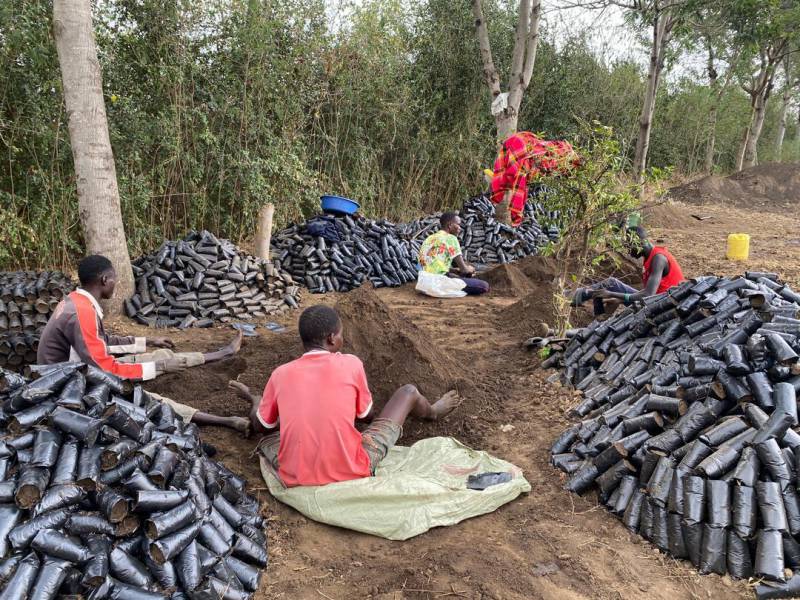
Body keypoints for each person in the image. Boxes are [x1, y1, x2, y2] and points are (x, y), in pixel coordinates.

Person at [228, 305, 462, 487]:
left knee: (269, 439)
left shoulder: (280, 374)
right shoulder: (351, 363)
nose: (343, 340)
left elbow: (261, 426)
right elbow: (366, 416)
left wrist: (255, 398)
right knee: (408, 392)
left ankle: (258, 401)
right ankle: (433, 412)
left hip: (295, 476)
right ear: (331, 338)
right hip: (351, 470)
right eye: (341, 335)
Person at [38, 254, 249, 434]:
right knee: (149, 399)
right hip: (70, 387)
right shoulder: (82, 312)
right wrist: (157, 369)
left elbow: (102, 342)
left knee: (162, 354)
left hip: (79, 370)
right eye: (114, 279)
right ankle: (227, 421)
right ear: (104, 280)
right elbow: (104, 370)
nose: (116, 284)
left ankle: (222, 353)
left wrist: (149, 341)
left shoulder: (76, 300)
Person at [572, 225, 685, 315]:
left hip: (665, 306)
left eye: (629, 247)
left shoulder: (659, 259)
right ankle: (598, 317)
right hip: (659, 300)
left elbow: (648, 294)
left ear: (638, 243)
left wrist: (612, 294)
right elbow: (650, 293)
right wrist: (620, 299)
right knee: (609, 287)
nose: (628, 252)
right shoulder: (651, 257)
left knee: (611, 284)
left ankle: (569, 297)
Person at [490, 131, 578, 227]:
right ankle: (515, 217)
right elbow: (520, 187)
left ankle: (514, 214)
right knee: (519, 180)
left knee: (515, 177)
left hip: (521, 141)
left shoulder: (558, 155)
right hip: (520, 146)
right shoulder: (545, 162)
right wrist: (517, 218)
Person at [418, 212, 490, 295]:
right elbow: (464, 270)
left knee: (455, 276)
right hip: (437, 283)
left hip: (422, 284)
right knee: (484, 286)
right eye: (458, 225)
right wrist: (470, 269)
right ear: (450, 225)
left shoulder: (429, 238)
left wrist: (453, 270)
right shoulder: (451, 238)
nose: (460, 228)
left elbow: (430, 265)